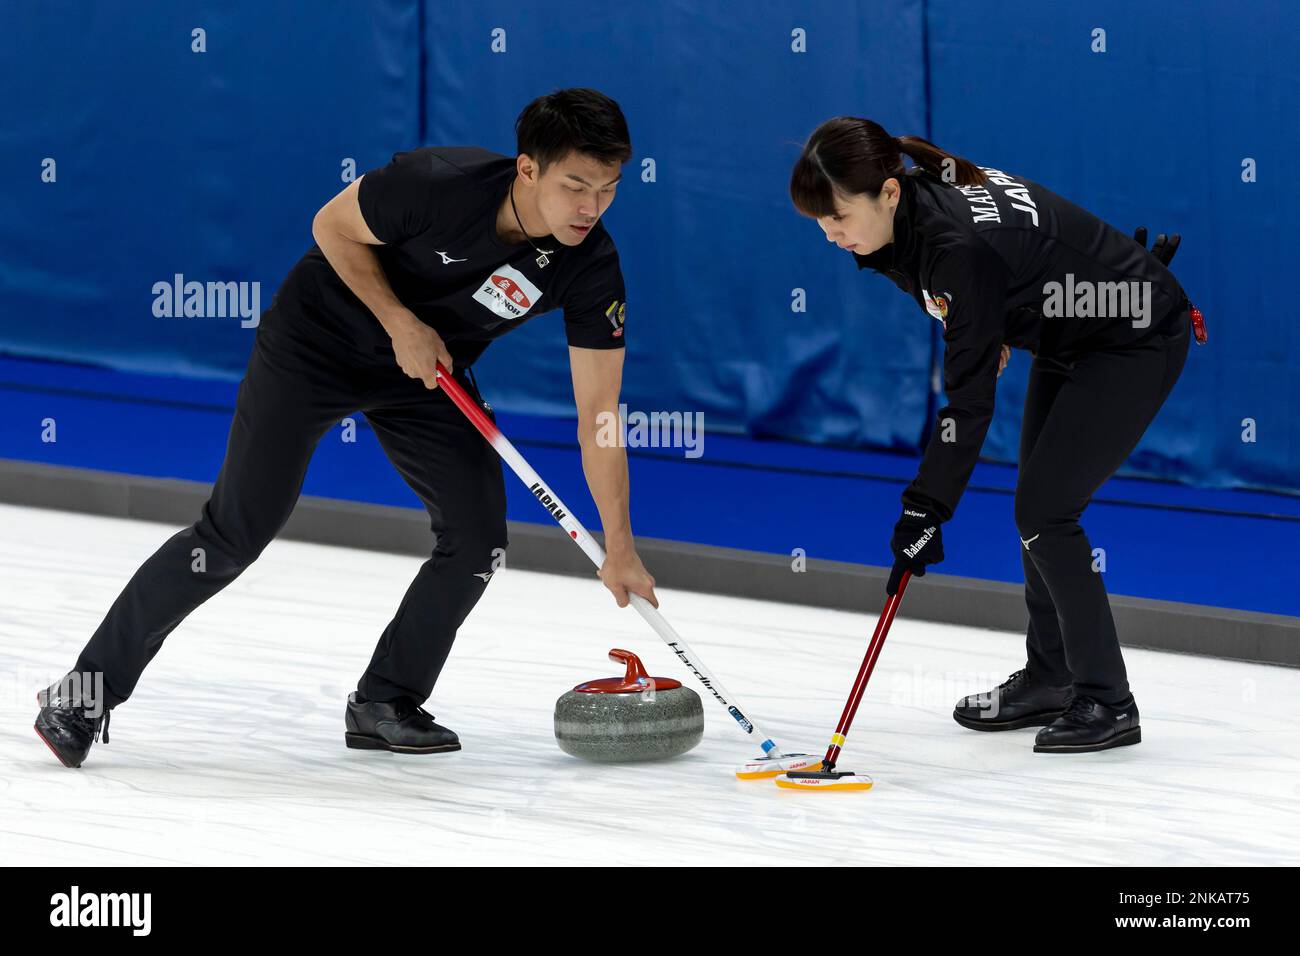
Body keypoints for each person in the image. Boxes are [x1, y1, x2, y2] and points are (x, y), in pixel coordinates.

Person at [35, 87, 658, 768]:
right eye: (576, 186)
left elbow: (601, 414)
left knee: (478, 540)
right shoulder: (437, 185)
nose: (591, 208)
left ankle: (385, 701)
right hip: (315, 345)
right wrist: (400, 322)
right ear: (528, 169)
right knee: (233, 533)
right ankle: (81, 694)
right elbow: (331, 225)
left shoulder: (592, 264)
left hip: (426, 376)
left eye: (608, 188)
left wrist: (618, 545)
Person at [790, 116, 1200, 754]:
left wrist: (926, 507)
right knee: (1034, 510)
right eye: (820, 223)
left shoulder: (952, 245)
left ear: (888, 194)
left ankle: (1108, 702)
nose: (831, 236)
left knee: (1046, 510)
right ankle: (1052, 676)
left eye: (838, 218)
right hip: (1073, 329)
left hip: (1132, 338)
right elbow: (1022, 258)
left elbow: (969, 403)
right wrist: (995, 323)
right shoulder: (914, 212)